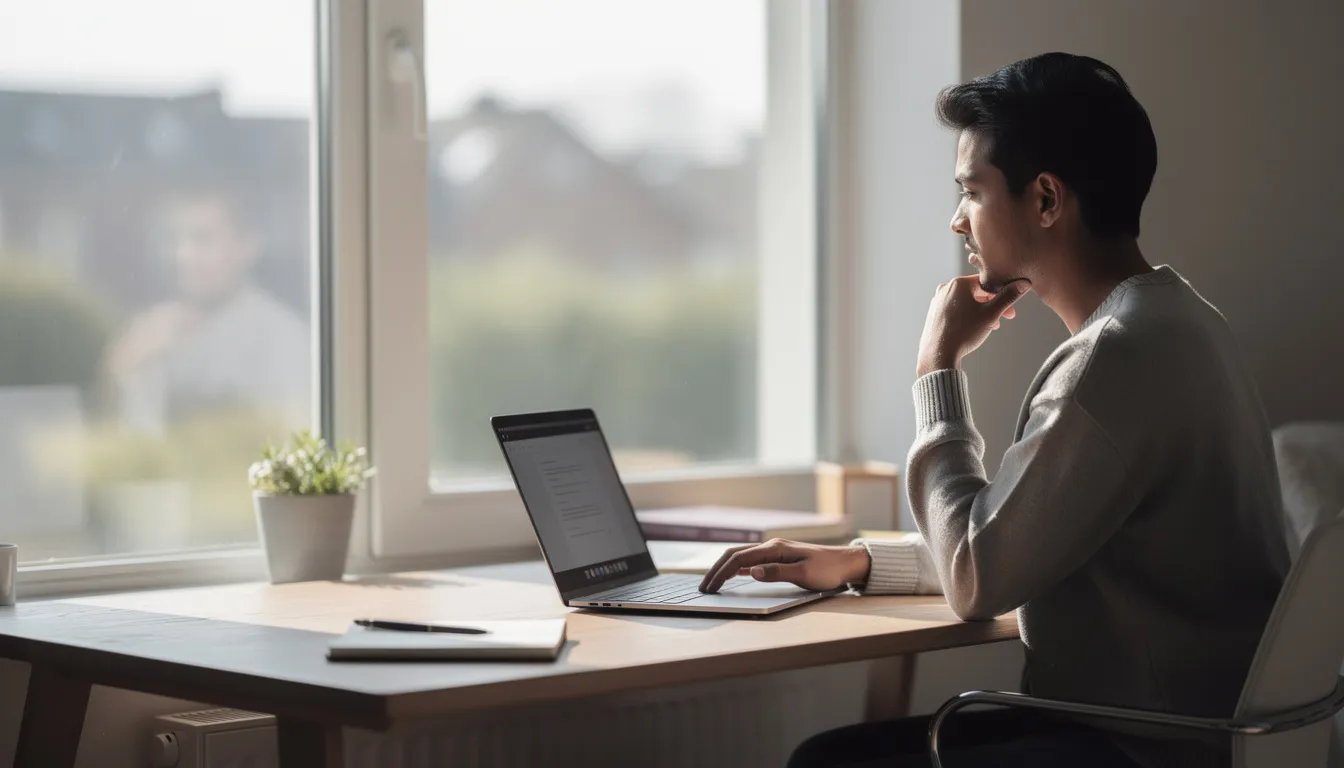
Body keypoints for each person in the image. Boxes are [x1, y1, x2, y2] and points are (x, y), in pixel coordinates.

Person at [699, 52, 1290, 768]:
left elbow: (979, 579)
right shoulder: (1183, 321)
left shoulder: (1115, 358)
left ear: (1045, 200)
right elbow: (1030, 537)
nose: (957, 221)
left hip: (1142, 746)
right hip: (1198, 735)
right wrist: (862, 561)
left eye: (971, 192)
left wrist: (936, 371)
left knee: (828, 762)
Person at [107, 183, 309, 432]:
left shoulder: (284, 340)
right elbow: (129, 437)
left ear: (248, 247)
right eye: (173, 239)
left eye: (202, 239)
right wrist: (121, 369)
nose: (183, 255)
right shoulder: (149, 335)